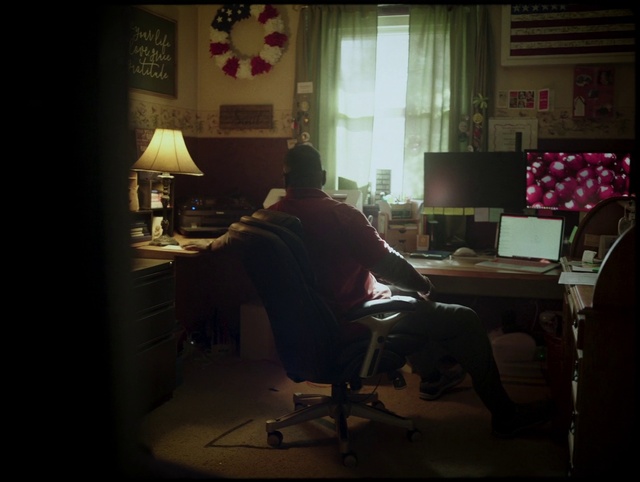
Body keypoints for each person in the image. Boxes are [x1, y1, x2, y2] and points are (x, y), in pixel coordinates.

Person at [185, 143, 553, 438]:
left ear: (285, 178)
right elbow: (390, 265)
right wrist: (425, 285)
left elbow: (228, 239)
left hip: (309, 330)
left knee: (413, 305)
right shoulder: (342, 214)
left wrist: (202, 245)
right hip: (356, 323)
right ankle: (505, 416)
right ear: (323, 177)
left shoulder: (268, 217)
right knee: (463, 318)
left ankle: (434, 377)